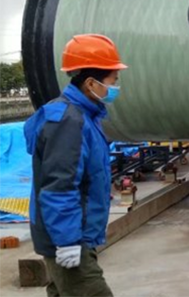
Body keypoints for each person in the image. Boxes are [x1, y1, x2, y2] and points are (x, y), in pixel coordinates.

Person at [25, 34, 127, 297]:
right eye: (113, 81)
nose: (115, 87)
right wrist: (68, 241)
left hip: (75, 232)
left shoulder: (83, 116)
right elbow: (59, 186)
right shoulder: (69, 122)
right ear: (91, 83)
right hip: (69, 237)